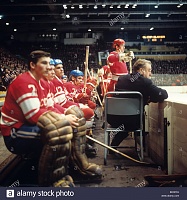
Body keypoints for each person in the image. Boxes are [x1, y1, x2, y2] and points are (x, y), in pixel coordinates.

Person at [0, 51, 102, 187]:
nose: (49, 67)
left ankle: (77, 166)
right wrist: (64, 118)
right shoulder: (24, 82)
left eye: (49, 63)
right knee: (58, 131)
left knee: (77, 120)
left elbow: (51, 106)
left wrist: (67, 113)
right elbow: (33, 115)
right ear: (32, 65)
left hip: (29, 125)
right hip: (14, 131)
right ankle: (51, 180)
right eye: (44, 63)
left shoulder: (43, 83)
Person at [110, 58, 168, 148]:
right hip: (133, 121)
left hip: (113, 119)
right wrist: (150, 98)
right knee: (133, 123)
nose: (150, 74)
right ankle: (142, 148)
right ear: (141, 70)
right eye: (149, 70)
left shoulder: (121, 79)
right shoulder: (145, 82)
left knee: (126, 124)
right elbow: (163, 94)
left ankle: (113, 147)